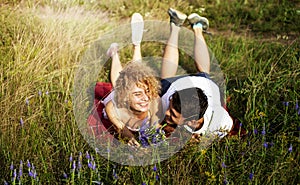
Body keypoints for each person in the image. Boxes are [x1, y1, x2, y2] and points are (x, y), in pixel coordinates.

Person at [158, 8, 246, 140]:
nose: (166, 112)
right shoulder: (166, 102)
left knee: (203, 72)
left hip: (203, 84)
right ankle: (194, 27)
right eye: (170, 110)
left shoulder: (221, 122)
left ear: (193, 122)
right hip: (184, 85)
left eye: (172, 114)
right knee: (168, 78)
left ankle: (182, 25)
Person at [88, 13, 163, 147]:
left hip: (131, 96)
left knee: (139, 76)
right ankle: (114, 53)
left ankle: (136, 45)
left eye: (147, 92)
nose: (145, 98)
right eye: (138, 95)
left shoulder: (153, 102)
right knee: (118, 82)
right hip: (120, 96)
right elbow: (121, 128)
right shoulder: (114, 107)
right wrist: (131, 139)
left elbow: (156, 126)